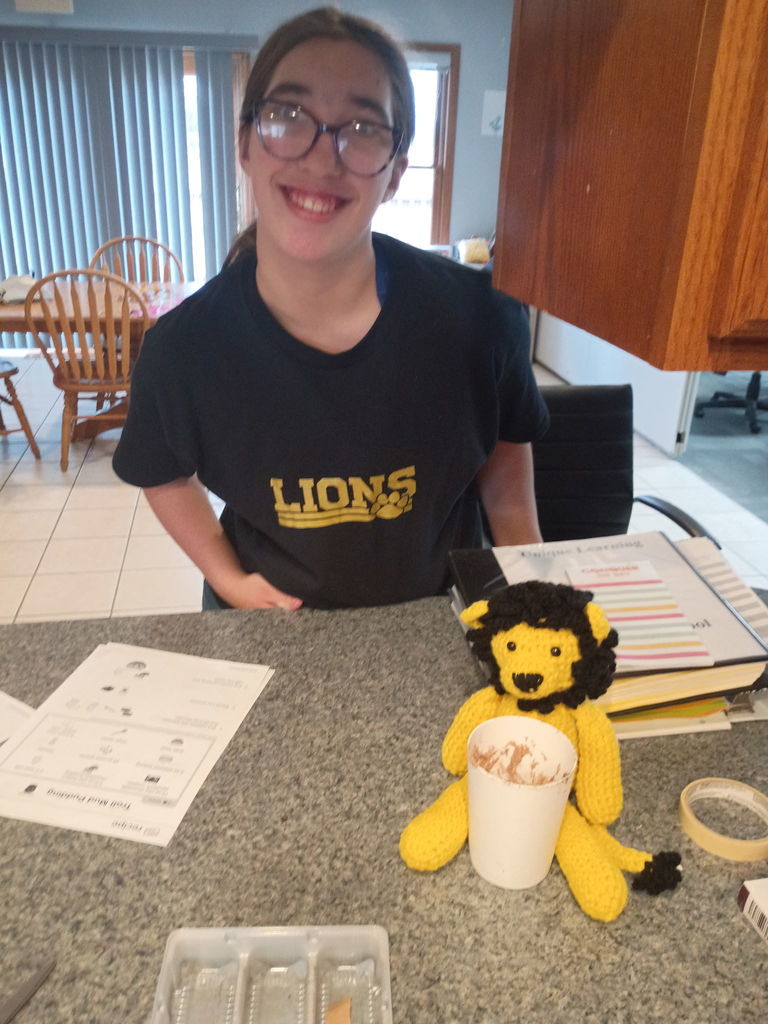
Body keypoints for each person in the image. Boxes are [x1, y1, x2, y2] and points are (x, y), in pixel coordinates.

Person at [112, 6, 550, 611]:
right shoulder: (183, 349)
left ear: (395, 173)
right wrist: (228, 578)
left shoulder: (480, 320)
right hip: (274, 626)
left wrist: (532, 587)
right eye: (288, 116)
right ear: (245, 143)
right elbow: (161, 473)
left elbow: (505, 472)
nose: (323, 160)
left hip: (443, 617)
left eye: (364, 127)